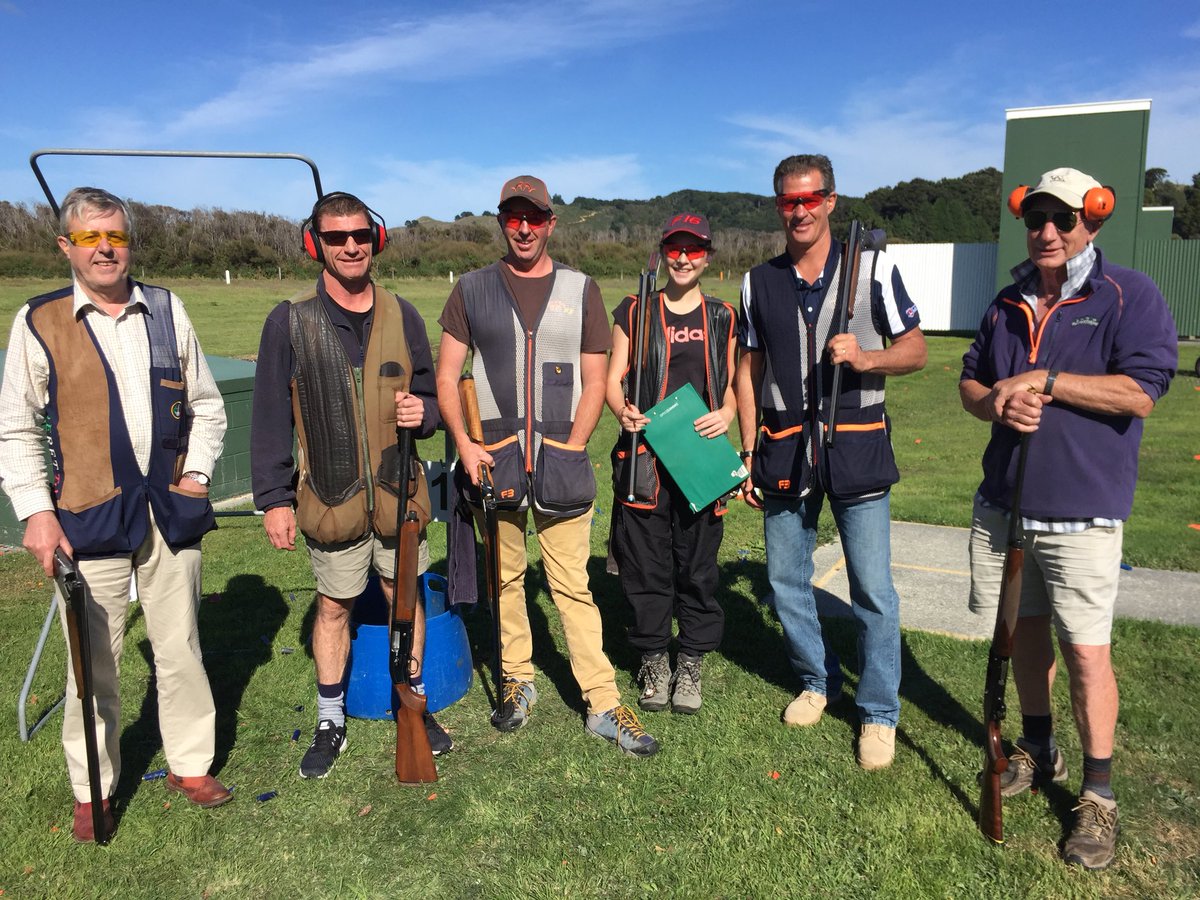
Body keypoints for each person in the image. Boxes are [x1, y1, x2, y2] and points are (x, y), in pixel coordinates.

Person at [960, 167, 1177, 871]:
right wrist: (996, 400)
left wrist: (1045, 380)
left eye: (1064, 219)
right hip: (1005, 505)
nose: (1048, 231)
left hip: (1082, 513)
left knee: (1085, 652)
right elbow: (969, 381)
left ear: (1094, 219)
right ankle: (1039, 745)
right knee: (1022, 636)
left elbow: (1141, 392)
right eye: (1037, 219)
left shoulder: (1128, 294)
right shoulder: (1006, 302)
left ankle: (1099, 793)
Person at [0, 187, 231, 841]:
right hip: (85, 516)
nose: (105, 250)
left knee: (180, 646)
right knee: (92, 663)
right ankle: (92, 788)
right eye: (90, 238)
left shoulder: (166, 307)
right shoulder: (39, 320)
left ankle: (190, 764)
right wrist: (37, 513)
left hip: (169, 511)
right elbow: (15, 427)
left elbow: (207, 405)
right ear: (66, 246)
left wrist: (196, 475)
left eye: (116, 237)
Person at [436, 175, 658, 757]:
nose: (524, 228)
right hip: (495, 460)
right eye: (513, 217)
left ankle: (603, 702)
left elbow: (595, 378)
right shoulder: (471, 288)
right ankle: (519, 678)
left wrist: (572, 446)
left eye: (534, 217)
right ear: (501, 222)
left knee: (572, 586)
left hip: (561, 461)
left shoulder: (582, 288)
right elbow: (447, 376)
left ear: (550, 223)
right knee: (506, 579)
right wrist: (464, 445)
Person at [734, 154, 926, 770]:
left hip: (858, 447)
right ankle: (817, 680)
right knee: (785, 580)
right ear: (778, 206)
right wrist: (748, 448)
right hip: (784, 448)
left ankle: (878, 712)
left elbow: (916, 350)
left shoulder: (873, 268)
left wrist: (867, 358)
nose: (800, 211)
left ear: (831, 201)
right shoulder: (757, 282)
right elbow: (748, 371)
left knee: (872, 590)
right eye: (789, 201)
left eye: (810, 199)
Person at [251, 191, 450, 779]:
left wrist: (426, 413)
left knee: (405, 602)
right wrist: (274, 499)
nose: (350, 246)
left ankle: (414, 703)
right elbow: (269, 418)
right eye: (336, 237)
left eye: (360, 234)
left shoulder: (404, 314)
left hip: (398, 494)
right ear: (316, 243)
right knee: (334, 606)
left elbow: (434, 398)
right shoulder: (288, 320)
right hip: (331, 498)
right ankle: (330, 720)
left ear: (375, 238)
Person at [606, 212, 737, 714]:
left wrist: (727, 414)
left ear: (707, 255)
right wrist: (623, 411)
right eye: (675, 249)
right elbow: (614, 378)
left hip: (699, 455)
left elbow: (731, 384)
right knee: (646, 564)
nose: (683, 258)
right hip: (645, 458)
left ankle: (692, 661)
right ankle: (655, 660)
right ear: (662, 252)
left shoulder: (723, 317)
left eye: (694, 249)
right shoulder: (635, 310)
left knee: (698, 565)